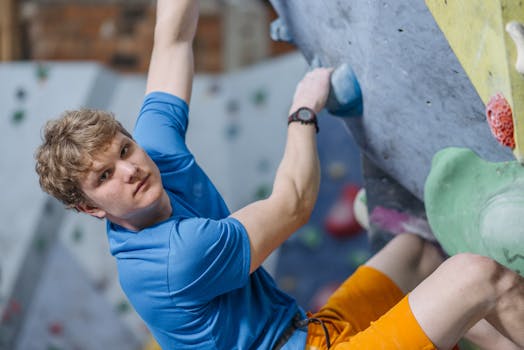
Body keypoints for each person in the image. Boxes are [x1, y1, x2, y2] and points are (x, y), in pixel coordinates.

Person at [34, 1, 524, 349]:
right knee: (477, 275)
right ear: (92, 208)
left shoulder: (151, 154)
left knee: (422, 247)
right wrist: (303, 112)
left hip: (309, 331)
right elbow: (292, 203)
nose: (130, 169)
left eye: (124, 149)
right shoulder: (172, 260)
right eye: (104, 177)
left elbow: (173, 41)